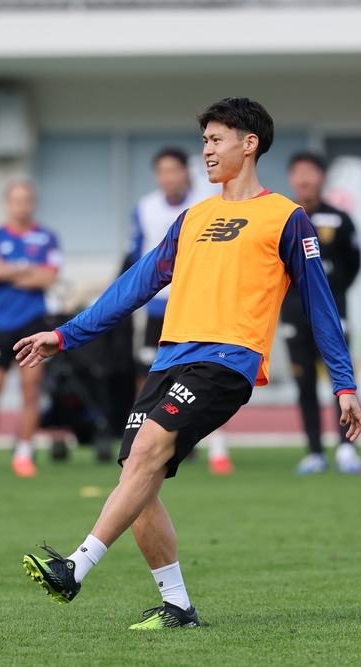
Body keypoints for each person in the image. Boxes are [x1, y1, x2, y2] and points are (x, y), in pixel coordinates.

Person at [17, 98, 361, 629]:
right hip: (170, 358)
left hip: (227, 361)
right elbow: (135, 285)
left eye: (216, 140)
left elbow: (322, 306)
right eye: (204, 140)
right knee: (137, 475)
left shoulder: (287, 218)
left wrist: (344, 384)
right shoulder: (193, 218)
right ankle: (178, 607)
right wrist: (66, 335)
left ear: (249, 145)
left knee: (147, 452)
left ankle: (75, 566)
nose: (205, 151)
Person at [127, 147, 233, 475]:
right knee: (148, 374)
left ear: (186, 172)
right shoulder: (145, 208)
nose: (169, 178)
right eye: (162, 172)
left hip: (197, 306)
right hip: (158, 307)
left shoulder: (208, 202)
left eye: (174, 170)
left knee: (207, 373)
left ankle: (217, 448)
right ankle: (144, 444)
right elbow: (136, 258)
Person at [0, 180, 62, 479]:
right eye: (16, 200)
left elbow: (49, 278)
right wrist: (28, 270)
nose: (21, 206)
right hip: (0, 325)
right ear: (7, 204)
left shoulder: (47, 237)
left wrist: (10, 271)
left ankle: (23, 454)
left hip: (34, 324)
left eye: (26, 200)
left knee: (31, 391)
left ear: (32, 203)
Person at [282, 152, 361, 475]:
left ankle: (347, 449)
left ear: (322, 178)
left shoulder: (340, 219)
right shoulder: (282, 219)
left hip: (333, 313)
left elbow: (354, 264)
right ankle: (315, 452)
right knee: (303, 384)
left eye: (311, 172)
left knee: (341, 380)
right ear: (291, 179)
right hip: (294, 313)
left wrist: (331, 295)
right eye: (298, 172)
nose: (304, 179)